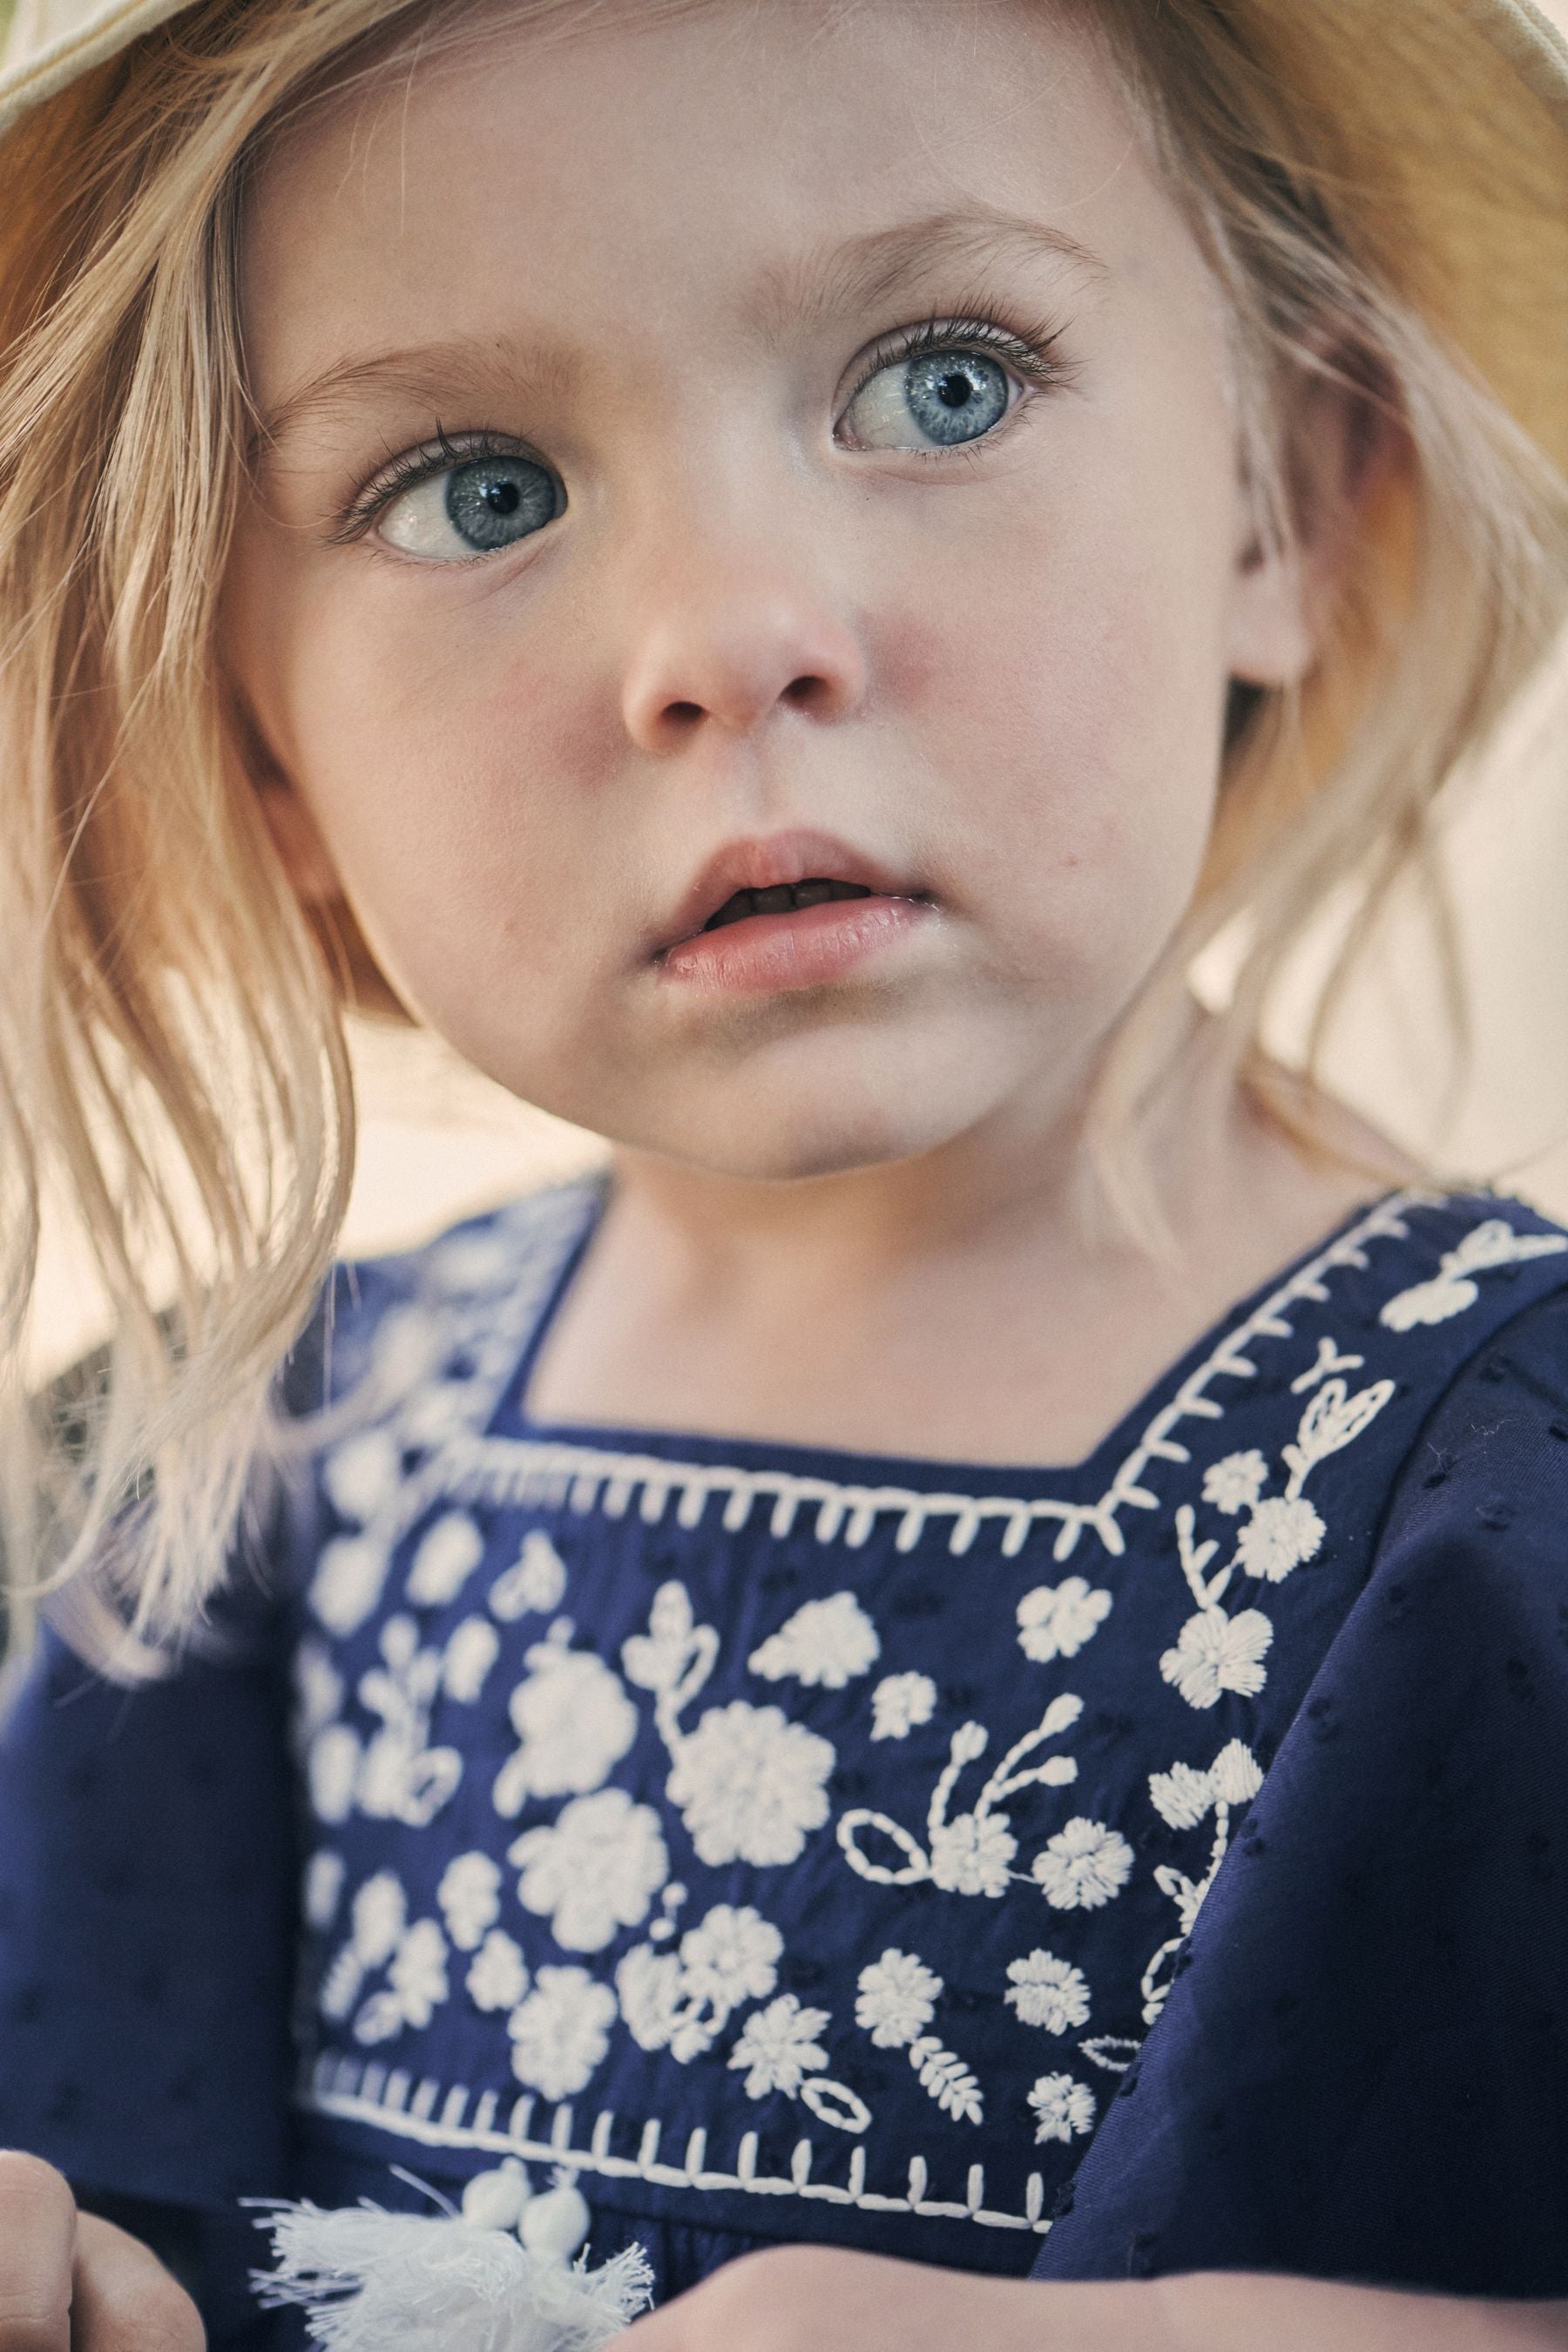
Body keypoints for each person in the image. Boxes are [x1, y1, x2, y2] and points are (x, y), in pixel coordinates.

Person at [0, 0, 1566, 2343]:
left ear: (1289, 495)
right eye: (474, 489)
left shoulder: (1502, 1479)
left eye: (942, 380)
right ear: (260, 741)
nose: (732, 638)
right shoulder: (214, 1496)